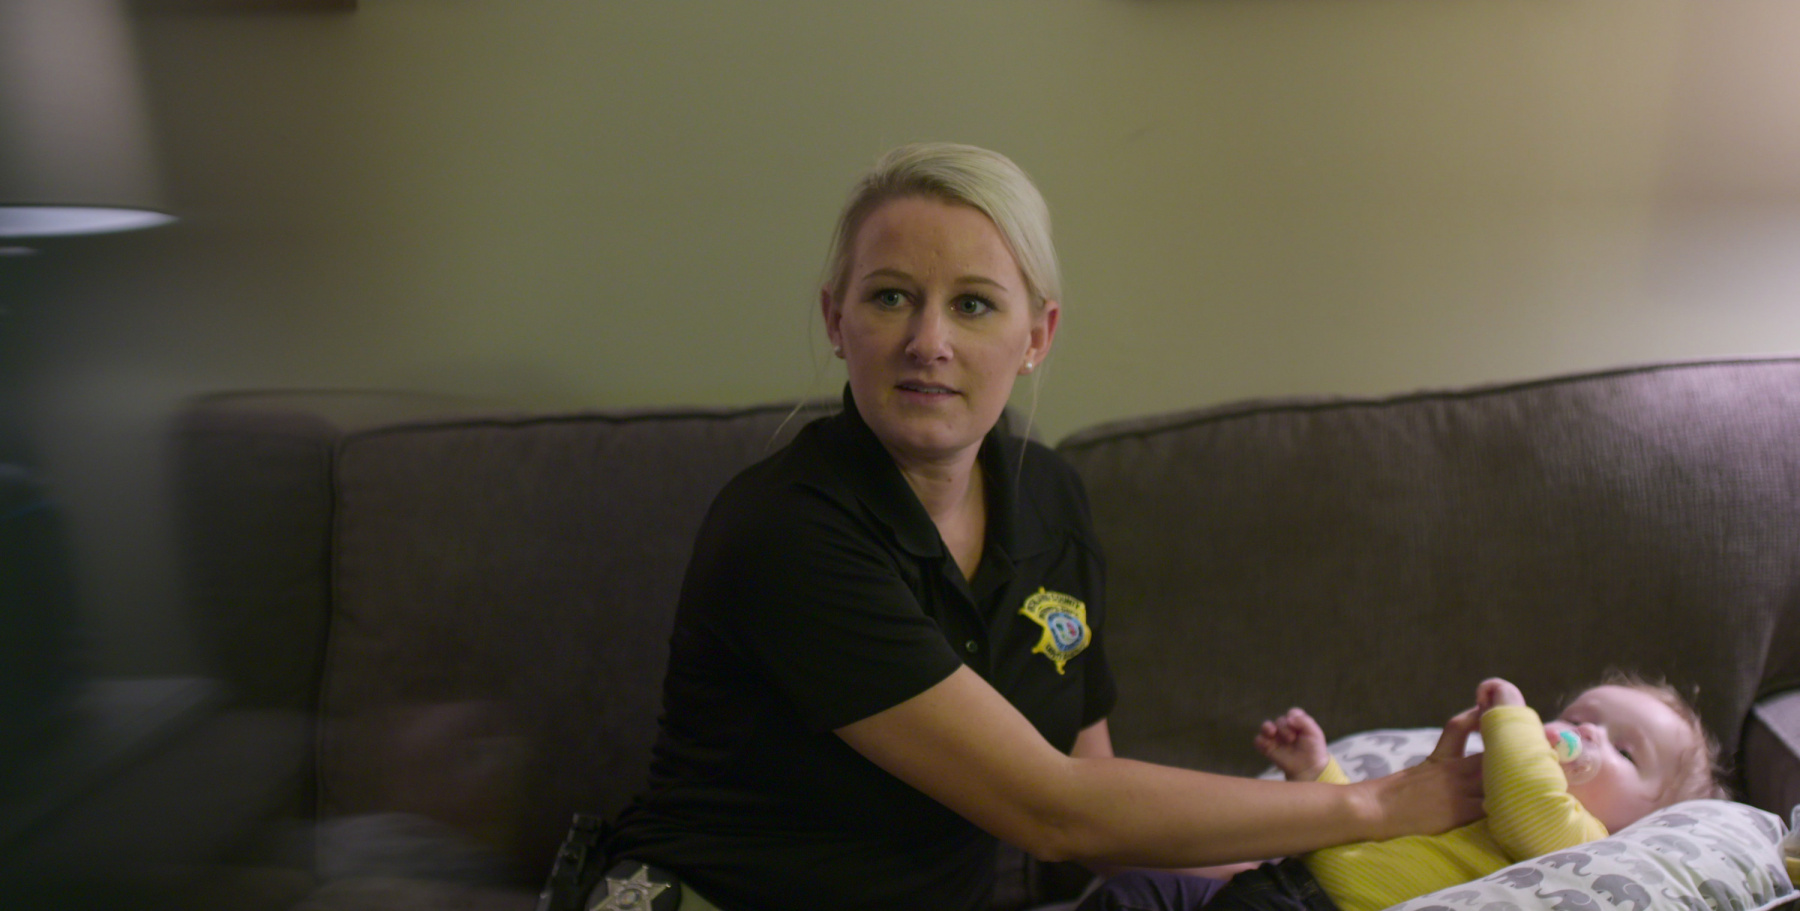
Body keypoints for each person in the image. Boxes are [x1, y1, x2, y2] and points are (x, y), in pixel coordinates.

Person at [596, 142, 1483, 911]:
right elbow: (1053, 811)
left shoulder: (1048, 498)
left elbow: (1099, 803)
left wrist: (1322, 874)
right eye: (891, 297)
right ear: (836, 319)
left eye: (974, 304)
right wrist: (1379, 805)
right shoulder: (785, 533)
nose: (928, 340)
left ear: (1037, 335)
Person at [1080, 673, 1728, 911]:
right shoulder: (1474, 792)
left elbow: (1531, 803)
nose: (1586, 733)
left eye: (1625, 750)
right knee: (1132, 893)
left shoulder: (1576, 842)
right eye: (1583, 715)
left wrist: (1512, 715)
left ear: (1644, 824)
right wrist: (1315, 772)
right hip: (1281, 879)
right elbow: (1365, 824)